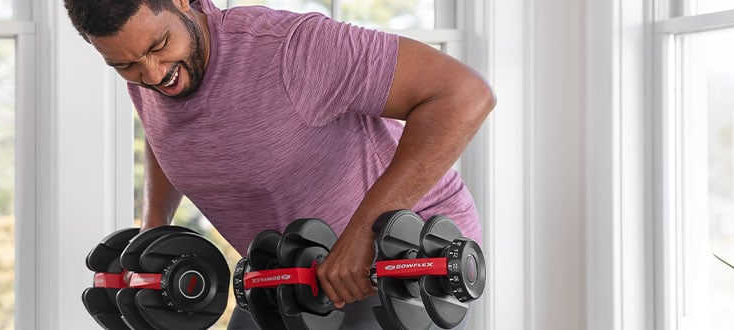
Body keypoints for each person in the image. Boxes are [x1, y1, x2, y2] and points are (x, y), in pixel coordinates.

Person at [63, 0, 494, 328]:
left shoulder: (293, 50)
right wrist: (153, 228)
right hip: (286, 269)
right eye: (125, 65)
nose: (154, 75)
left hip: (394, 263)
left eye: (160, 47)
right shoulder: (150, 72)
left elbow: (464, 95)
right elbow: (165, 131)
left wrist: (365, 234)